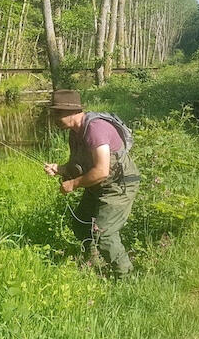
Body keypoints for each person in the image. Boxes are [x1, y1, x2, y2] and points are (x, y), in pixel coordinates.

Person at [44, 90, 140, 278]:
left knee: (104, 234)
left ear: (69, 112)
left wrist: (72, 185)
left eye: (56, 113)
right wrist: (60, 169)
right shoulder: (74, 133)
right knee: (81, 224)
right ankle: (93, 261)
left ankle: (127, 278)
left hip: (119, 186)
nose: (53, 118)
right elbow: (79, 165)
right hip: (98, 185)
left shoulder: (95, 129)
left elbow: (101, 171)